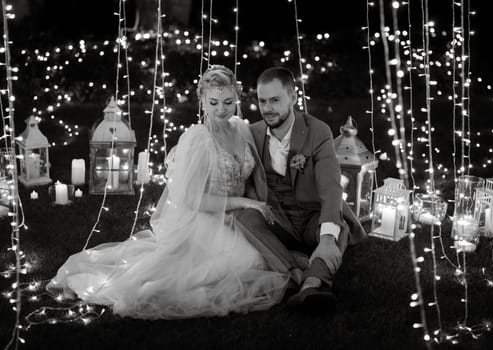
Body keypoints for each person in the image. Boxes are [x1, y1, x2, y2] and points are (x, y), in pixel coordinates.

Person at [46, 65, 293, 319]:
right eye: (214, 102)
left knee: (256, 258)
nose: (222, 109)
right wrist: (244, 202)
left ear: (236, 100)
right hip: (205, 217)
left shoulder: (242, 129)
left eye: (228, 102)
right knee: (244, 262)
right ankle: (146, 288)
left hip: (238, 217)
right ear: (202, 101)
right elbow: (191, 199)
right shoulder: (199, 139)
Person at [236, 67, 367, 313]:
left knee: (338, 228)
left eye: (275, 100)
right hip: (277, 220)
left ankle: (312, 285)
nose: (267, 108)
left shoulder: (317, 131)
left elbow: (330, 186)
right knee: (244, 218)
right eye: (263, 101)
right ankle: (294, 272)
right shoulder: (251, 133)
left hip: (311, 217)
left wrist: (327, 238)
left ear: (294, 98)